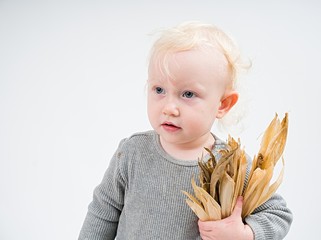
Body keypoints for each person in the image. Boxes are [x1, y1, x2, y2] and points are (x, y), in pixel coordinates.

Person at [78, 21, 292, 240]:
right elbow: (103, 211)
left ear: (223, 104)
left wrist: (246, 234)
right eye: (159, 90)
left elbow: (278, 214)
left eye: (188, 94)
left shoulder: (231, 165)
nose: (169, 108)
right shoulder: (133, 152)